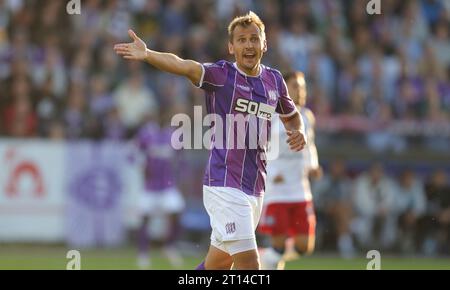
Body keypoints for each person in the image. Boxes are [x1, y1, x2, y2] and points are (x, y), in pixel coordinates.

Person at [114, 11, 306, 270]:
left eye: (254, 39)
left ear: (264, 44)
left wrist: (299, 131)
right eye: (241, 40)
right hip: (224, 184)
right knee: (250, 265)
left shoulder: (274, 80)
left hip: (255, 187)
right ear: (231, 46)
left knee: (216, 266)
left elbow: (292, 117)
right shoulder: (222, 75)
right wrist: (148, 54)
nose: (248, 45)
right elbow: (184, 65)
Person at [258, 72, 322, 270]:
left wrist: (313, 165)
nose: (300, 91)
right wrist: (268, 172)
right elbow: (259, 147)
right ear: (283, 89)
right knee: (278, 244)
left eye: (302, 87)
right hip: (277, 187)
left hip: (300, 187)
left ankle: (263, 258)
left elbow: (309, 145)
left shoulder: (307, 117)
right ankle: (267, 261)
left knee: (304, 245)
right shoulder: (270, 114)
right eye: (295, 86)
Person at [131, 110, 185, 269]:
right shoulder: (146, 134)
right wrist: (141, 165)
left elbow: (180, 159)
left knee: (177, 213)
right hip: (150, 187)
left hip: (167, 185)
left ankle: (169, 246)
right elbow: (133, 153)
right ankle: (143, 254)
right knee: (144, 218)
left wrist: (179, 176)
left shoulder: (173, 135)